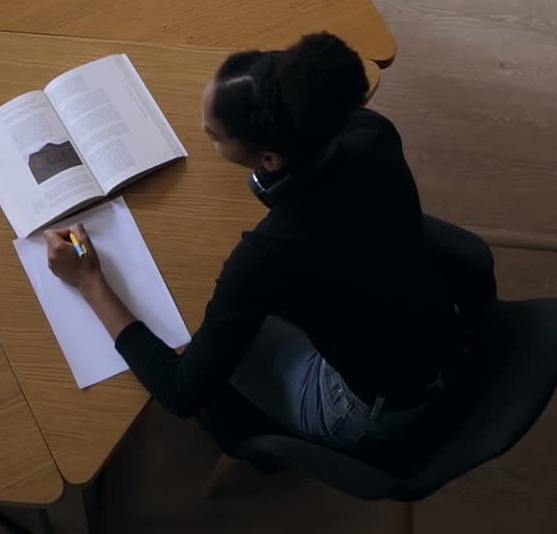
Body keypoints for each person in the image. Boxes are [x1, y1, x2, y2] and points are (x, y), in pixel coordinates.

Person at [44, 32, 496, 463]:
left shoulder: (269, 253)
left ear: (270, 160)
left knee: (192, 327)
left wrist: (89, 279)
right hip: (436, 341)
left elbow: (179, 391)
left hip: (373, 413)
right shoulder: (371, 133)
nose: (205, 134)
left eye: (214, 135)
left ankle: (256, 445)